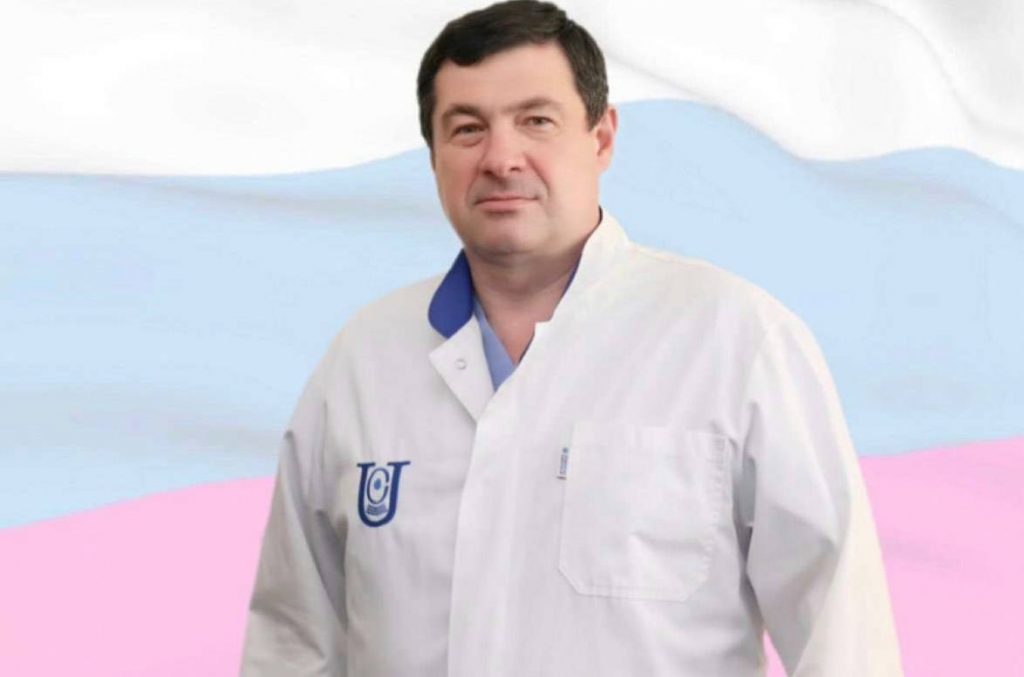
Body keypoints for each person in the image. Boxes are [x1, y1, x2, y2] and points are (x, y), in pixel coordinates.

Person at [240, 1, 904, 675]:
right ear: (434, 156)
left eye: (536, 120)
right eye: (467, 129)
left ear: (602, 137)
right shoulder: (362, 362)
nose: (501, 158)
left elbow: (845, 639)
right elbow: (293, 646)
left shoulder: (737, 341)